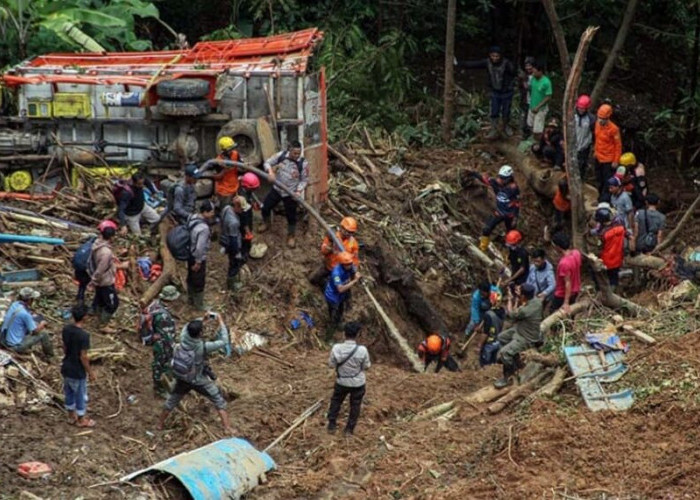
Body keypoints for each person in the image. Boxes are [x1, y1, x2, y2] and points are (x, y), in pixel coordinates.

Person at [159, 314, 234, 434]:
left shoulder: (183, 337)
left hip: (182, 378)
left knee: (171, 401)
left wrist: (202, 319)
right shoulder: (202, 347)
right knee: (218, 399)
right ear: (200, 333)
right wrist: (220, 321)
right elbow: (224, 341)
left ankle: (160, 425)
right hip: (198, 380)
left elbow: (188, 326)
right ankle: (227, 428)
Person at [260, 141, 309, 248]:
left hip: (290, 193)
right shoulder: (281, 156)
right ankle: (266, 223)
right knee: (265, 207)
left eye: (298, 153)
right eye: (294, 153)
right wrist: (271, 172)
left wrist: (298, 191)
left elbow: (304, 180)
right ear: (289, 150)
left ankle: (291, 235)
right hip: (277, 189)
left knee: (291, 216)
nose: (297, 156)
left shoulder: (303, 163)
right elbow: (267, 163)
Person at [494, 283, 544, 388]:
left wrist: (510, 299)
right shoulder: (537, 302)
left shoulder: (525, 311)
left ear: (523, 296)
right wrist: (519, 298)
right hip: (522, 329)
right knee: (501, 337)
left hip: (526, 336)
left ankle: (508, 377)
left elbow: (510, 314)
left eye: (520, 293)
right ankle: (516, 359)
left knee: (504, 353)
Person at [327, 321, 371, 436]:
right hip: (358, 383)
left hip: (341, 381)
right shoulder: (362, 350)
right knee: (355, 405)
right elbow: (366, 366)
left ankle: (331, 424)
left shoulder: (336, 348)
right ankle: (349, 430)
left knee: (336, 401)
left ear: (344, 334)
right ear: (357, 335)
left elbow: (331, 365)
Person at [462, 46, 517, 138]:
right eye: (493, 56)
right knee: (494, 111)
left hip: (506, 92)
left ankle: (506, 126)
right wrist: (459, 63)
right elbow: (474, 64)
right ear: (490, 55)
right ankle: (494, 129)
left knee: (506, 111)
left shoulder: (507, 64)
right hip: (495, 91)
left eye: (497, 56)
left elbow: (515, 73)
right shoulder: (487, 62)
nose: (495, 58)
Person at [466, 165, 521, 251]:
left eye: (503, 178)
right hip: (499, 212)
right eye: (500, 177)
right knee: (487, 229)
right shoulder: (496, 183)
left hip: (510, 214)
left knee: (511, 236)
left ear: (509, 178)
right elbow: (484, 179)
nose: (501, 180)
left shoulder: (513, 188)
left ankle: (511, 253)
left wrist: (515, 217)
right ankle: (482, 248)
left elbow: (517, 203)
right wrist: (473, 173)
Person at [141, 285, 179, 398]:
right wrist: (172, 345)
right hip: (162, 344)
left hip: (158, 341)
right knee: (161, 365)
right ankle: (159, 389)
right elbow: (166, 335)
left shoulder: (155, 305)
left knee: (161, 364)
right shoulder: (163, 316)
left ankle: (164, 383)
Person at [61, 304, 95, 427]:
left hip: (66, 366)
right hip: (77, 370)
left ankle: (71, 416)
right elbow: (83, 356)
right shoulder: (84, 335)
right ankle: (81, 419)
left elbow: (64, 347)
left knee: (69, 392)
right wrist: (90, 372)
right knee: (80, 394)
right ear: (85, 317)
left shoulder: (66, 329)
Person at [0, 287, 53, 357]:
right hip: (15, 346)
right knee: (43, 333)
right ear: (29, 300)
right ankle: (50, 356)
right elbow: (35, 331)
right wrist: (42, 324)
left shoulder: (14, 305)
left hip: (4, 341)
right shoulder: (25, 314)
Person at [309, 217, 360, 288]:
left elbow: (355, 259)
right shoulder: (333, 236)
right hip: (328, 266)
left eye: (351, 232)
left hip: (340, 271)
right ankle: (325, 282)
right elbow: (323, 251)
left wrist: (354, 272)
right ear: (341, 228)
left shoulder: (352, 243)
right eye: (347, 231)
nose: (349, 234)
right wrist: (331, 247)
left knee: (336, 289)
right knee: (313, 279)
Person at [324, 252, 361, 341]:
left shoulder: (349, 267)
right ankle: (328, 338)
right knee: (333, 317)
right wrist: (354, 281)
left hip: (340, 297)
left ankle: (339, 324)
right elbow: (340, 289)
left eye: (350, 263)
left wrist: (356, 273)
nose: (350, 265)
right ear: (343, 264)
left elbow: (354, 270)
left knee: (340, 311)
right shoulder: (336, 273)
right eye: (348, 264)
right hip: (333, 297)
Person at [187, 201, 216, 310]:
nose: (213, 214)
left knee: (190, 276)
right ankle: (199, 304)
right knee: (199, 280)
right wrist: (198, 262)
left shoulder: (192, 217)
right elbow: (200, 247)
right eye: (211, 212)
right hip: (197, 256)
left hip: (189, 252)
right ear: (205, 212)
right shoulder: (204, 228)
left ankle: (190, 298)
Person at [90, 220, 120, 325]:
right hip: (105, 281)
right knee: (113, 304)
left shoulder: (97, 243)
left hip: (100, 281)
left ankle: (95, 312)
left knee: (100, 298)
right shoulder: (106, 252)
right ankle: (102, 323)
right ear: (112, 236)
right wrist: (94, 281)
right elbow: (101, 269)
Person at [593, 104, 622, 200]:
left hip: (608, 159)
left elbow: (618, 145)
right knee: (599, 179)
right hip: (598, 157)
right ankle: (599, 196)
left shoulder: (614, 129)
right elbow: (597, 139)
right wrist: (595, 151)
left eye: (603, 118)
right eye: (599, 118)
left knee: (607, 181)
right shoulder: (597, 124)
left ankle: (604, 199)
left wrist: (616, 160)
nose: (600, 120)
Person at [594, 206, 626, 289]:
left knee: (603, 278)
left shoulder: (603, 234)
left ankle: (606, 294)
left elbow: (599, 247)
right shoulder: (620, 228)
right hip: (618, 258)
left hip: (606, 260)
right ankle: (614, 292)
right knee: (614, 278)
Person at [550, 232, 582, 313]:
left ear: (558, 247)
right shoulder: (576, 253)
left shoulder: (564, 263)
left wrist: (565, 302)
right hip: (575, 291)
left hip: (562, 294)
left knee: (553, 312)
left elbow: (568, 283)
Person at [473, 290, 506, 367]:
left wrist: (479, 346)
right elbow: (494, 326)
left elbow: (486, 333)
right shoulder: (502, 311)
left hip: (489, 344)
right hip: (498, 342)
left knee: (485, 365)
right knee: (493, 364)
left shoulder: (488, 315)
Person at [220, 196, 244, 292]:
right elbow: (233, 240)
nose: (242, 211)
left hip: (224, 237)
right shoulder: (233, 222)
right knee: (234, 263)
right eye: (241, 208)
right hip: (231, 242)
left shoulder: (226, 209)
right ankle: (232, 284)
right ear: (236, 207)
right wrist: (237, 251)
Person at [212, 136, 242, 211]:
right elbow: (216, 177)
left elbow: (241, 167)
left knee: (238, 209)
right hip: (224, 191)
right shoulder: (218, 161)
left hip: (235, 187)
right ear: (224, 150)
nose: (232, 150)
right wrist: (225, 170)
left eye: (232, 148)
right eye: (230, 149)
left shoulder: (235, 154)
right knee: (226, 210)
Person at [238, 172, 262, 260]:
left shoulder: (243, 187)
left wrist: (252, 204)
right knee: (244, 237)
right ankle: (244, 254)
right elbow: (243, 218)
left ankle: (247, 248)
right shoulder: (242, 199)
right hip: (243, 219)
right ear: (247, 187)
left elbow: (250, 196)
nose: (254, 190)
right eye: (253, 188)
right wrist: (247, 231)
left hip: (246, 213)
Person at [527, 61, 552, 141]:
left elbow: (548, 96)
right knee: (530, 124)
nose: (533, 73)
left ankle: (539, 143)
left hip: (540, 109)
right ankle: (532, 140)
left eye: (534, 71)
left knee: (538, 130)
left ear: (540, 71)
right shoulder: (533, 79)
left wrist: (538, 107)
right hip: (532, 106)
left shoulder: (546, 82)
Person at [573, 94, 595, 179]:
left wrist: (591, 144)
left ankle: (580, 179)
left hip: (585, 145)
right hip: (574, 144)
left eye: (583, 108)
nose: (581, 110)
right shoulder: (572, 116)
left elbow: (594, 133)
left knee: (582, 164)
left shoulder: (591, 119)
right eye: (579, 108)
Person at [518, 56, 535, 136]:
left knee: (532, 118)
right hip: (525, 100)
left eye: (530, 66)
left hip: (534, 101)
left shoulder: (537, 76)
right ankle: (523, 133)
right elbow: (521, 88)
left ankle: (531, 134)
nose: (528, 68)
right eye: (526, 66)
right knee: (524, 116)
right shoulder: (523, 76)